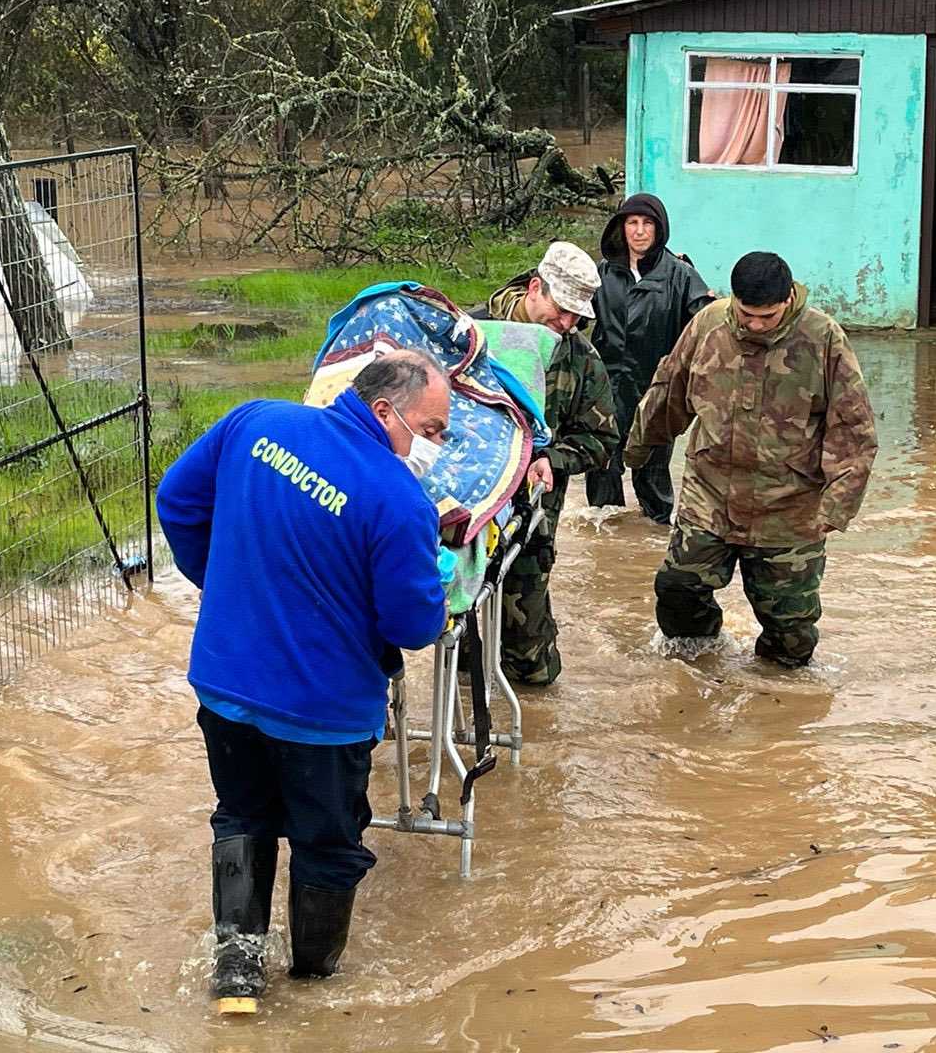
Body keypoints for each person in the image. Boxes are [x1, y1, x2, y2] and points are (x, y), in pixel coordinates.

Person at [157, 350, 451, 1011]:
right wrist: (439, 583)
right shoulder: (399, 499)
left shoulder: (253, 422)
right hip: (324, 713)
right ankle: (315, 990)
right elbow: (411, 623)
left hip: (225, 685)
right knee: (325, 843)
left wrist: (227, 585)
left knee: (241, 814)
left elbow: (176, 501)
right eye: (430, 430)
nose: (432, 446)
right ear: (385, 410)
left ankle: (235, 977)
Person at [625, 251, 877, 668]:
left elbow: (853, 429)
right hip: (710, 497)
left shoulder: (823, 338)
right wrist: (637, 447)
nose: (755, 325)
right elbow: (670, 390)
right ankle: (701, 661)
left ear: (788, 301)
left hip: (789, 508)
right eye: (747, 315)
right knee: (678, 589)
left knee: (791, 638)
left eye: (768, 317)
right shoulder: (708, 325)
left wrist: (837, 505)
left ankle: (776, 708)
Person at [466, 240, 618, 685]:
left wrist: (554, 458)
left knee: (531, 666)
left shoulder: (578, 356)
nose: (567, 324)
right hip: (466, 518)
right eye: (561, 310)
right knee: (459, 657)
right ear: (535, 288)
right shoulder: (469, 335)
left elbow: (602, 437)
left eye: (578, 317)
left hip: (531, 520)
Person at [586, 192, 712, 524]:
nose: (640, 231)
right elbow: (569, 315)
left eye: (647, 224)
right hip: (606, 388)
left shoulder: (681, 275)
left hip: (657, 390)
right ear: (621, 228)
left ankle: (655, 534)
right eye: (632, 223)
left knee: (652, 470)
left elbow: (707, 324)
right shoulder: (601, 273)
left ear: (660, 229)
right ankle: (605, 540)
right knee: (601, 466)